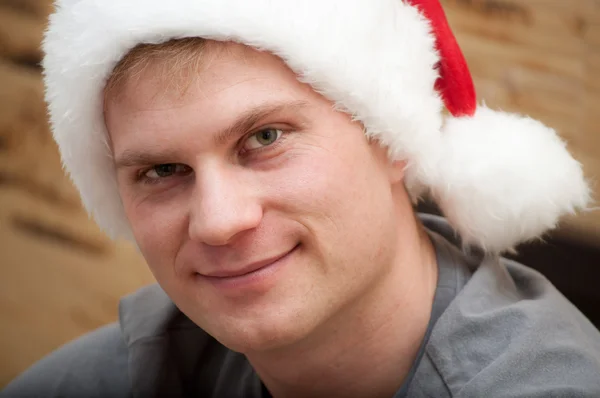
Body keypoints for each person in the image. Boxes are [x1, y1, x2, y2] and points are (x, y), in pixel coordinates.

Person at [3, 0, 600, 397]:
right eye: (163, 170)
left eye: (264, 138)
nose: (218, 221)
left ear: (394, 140)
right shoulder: (137, 368)